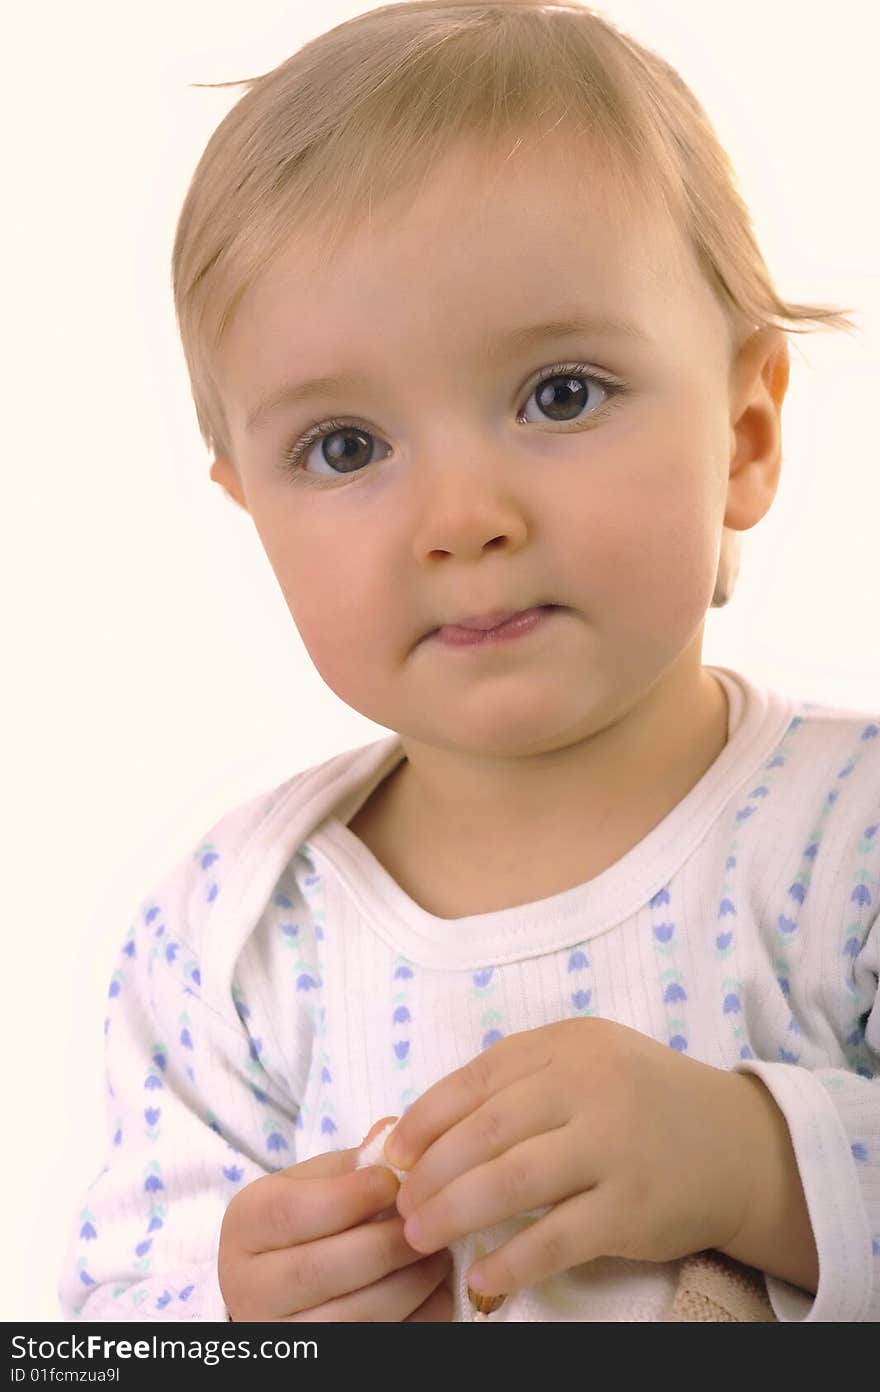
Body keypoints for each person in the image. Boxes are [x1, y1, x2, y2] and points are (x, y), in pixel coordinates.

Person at [59, 0, 878, 1323]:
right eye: (344, 447)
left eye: (561, 394)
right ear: (248, 507)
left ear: (743, 435)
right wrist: (240, 1316)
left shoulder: (850, 841)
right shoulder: (236, 940)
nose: (463, 520)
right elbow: (104, 1315)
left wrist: (757, 1161)